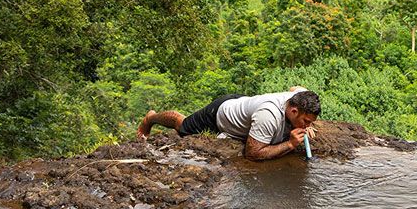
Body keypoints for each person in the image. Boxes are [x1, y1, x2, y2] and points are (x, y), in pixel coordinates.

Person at [136, 86, 320, 161]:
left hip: (245, 104)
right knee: (182, 125)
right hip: (221, 113)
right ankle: (150, 118)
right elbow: (253, 153)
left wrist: (306, 124)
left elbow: (294, 87)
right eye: (305, 121)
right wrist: (289, 144)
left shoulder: (300, 97)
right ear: (294, 110)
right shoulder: (269, 115)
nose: (307, 125)